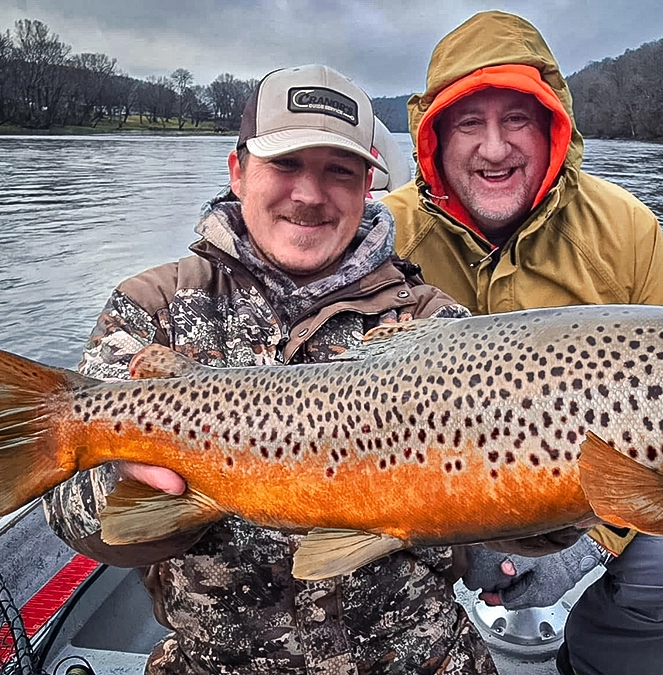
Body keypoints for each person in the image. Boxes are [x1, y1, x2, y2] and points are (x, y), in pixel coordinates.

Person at [42, 64, 497, 675]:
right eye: (285, 164)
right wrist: (134, 476)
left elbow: (520, 527)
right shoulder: (152, 309)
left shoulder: (439, 326)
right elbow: (71, 515)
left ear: (368, 187)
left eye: (338, 171)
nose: (309, 194)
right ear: (237, 171)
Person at [383, 11, 663, 675]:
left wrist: (594, 537)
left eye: (518, 119)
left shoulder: (626, 233)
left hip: (590, 499)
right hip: (413, 491)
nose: (495, 148)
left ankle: (590, 664)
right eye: (470, 122)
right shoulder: (382, 236)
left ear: (553, 126)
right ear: (434, 137)